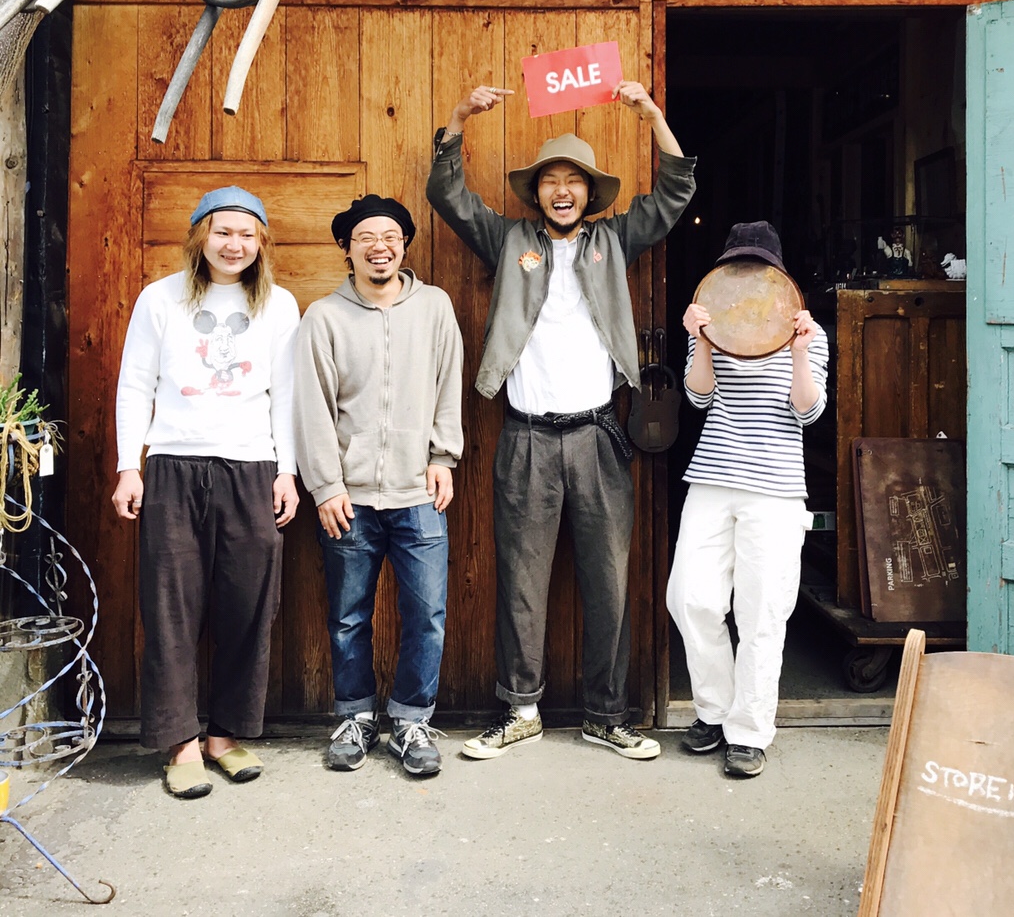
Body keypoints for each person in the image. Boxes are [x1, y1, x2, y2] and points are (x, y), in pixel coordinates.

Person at [427, 80, 695, 761]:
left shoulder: (615, 239)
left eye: (574, 180)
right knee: (521, 582)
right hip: (525, 437)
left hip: (600, 436)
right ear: (537, 193)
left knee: (609, 582)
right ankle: (521, 711)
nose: (562, 190)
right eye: (551, 180)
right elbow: (448, 195)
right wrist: (457, 117)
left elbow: (675, 194)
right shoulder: (508, 238)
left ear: (590, 193)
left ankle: (608, 715)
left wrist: (651, 114)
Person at [112, 186, 300, 799]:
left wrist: (287, 471)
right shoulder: (159, 298)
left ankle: (224, 734)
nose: (234, 245)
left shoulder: (278, 305)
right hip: (174, 464)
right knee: (171, 605)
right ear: (200, 235)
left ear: (261, 242)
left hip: (252, 466)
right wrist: (129, 467)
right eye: (223, 231)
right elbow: (135, 384)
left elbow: (287, 394)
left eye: (247, 234)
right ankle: (180, 742)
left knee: (249, 603)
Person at [294, 195, 463, 778]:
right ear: (347, 248)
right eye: (365, 236)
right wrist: (325, 485)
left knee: (427, 615)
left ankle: (412, 721)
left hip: (419, 494)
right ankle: (356, 717)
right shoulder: (323, 317)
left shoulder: (435, 307)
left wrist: (443, 455)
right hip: (351, 498)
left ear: (404, 245)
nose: (379, 246)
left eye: (390, 235)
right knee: (348, 616)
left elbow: (448, 383)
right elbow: (312, 407)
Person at [667, 221, 829, 779]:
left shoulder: (806, 331)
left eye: (758, 268)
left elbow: (808, 411)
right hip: (712, 476)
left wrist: (801, 353)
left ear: (777, 274)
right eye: (740, 267)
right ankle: (714, 710)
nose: (749, 277)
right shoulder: (711, 322)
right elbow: (698, 397)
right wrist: (701, 340)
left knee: (762, 611)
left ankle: (749, 731)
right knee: (690, 598)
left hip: (776, 488)